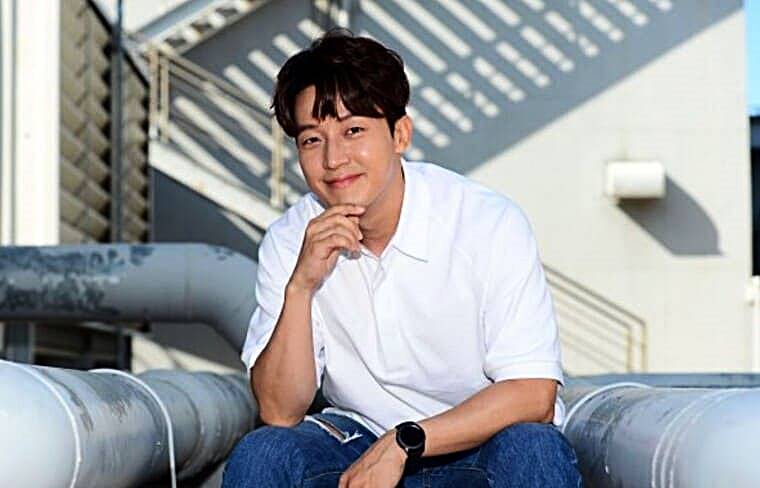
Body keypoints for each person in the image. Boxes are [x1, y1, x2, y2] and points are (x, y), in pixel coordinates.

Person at [223, 29, 582, 488]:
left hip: (478, 438)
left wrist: (404, 441)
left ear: (400, 134)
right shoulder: (290, 238)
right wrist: (301, 286)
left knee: (535, 449)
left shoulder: (485, 221)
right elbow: (278, 410)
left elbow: (534, 394)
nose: (333, 159)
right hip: (356, 438)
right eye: (312, 140)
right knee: (264, 453)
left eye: (353, 131)